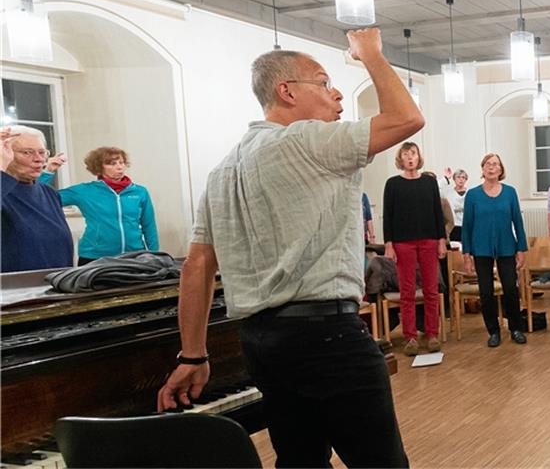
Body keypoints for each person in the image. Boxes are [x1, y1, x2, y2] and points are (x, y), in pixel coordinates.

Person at [156, 28, 421, 467]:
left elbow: (197, 265)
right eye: (323, 82)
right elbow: (406, 118)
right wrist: (371, 55)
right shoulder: (308, 140)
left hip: (264, 343)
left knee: (299, 462)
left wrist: (193, 354)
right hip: (327, 337)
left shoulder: (223, 170)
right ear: (286, 91)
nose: (336, 95)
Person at [39, 146, 158, 265]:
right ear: (99, 168)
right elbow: (42, 197)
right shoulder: (85, 191)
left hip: (134, 256)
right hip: (94, 257)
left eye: (121, 162)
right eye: (112, 164)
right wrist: (48, 171)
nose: (119, 166)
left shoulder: (139, 192)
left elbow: (149, 225)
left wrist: (155, 255)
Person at [382, 142, 446, 356]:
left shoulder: (429, 182)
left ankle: (432, 334)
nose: (410, 158)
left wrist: (441, 240)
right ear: (400, 159)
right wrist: (388, 244)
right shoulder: (392, 184)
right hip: (402, 243)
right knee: (407, 292)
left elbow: (438, 212)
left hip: (428, 240)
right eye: (406, 154)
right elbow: (387, 215)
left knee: (431, 289)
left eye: (413, 153)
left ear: (419, 157)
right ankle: (410, 337)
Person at [462, 153, 529, 348]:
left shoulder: (510, 192)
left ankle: (515, 328)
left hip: (507, 246)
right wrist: (467, 254)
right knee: (486, 292)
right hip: (480, 248)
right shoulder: (473, 195)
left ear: (501, 170)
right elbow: (467, 226)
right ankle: (493, 331)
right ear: (482, 169)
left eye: (495, 164)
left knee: (510, 288)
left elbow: (518, 221)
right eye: (488, 164)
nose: (492, 167)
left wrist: (521, 249)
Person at [1, 126, 73, 272]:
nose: (38, 159)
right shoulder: (4, 191)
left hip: (55, 284)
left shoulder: (49, 193)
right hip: (14, 290)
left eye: (42, 152)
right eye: (27, 152)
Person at [440, 168, 468, 243]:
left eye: (463, 177)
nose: (461, 179)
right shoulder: (448, 194)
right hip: (454, 227)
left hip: (467, 226)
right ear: (454, 179)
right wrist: (445, 179)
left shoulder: (470, 193)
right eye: (458, 177)